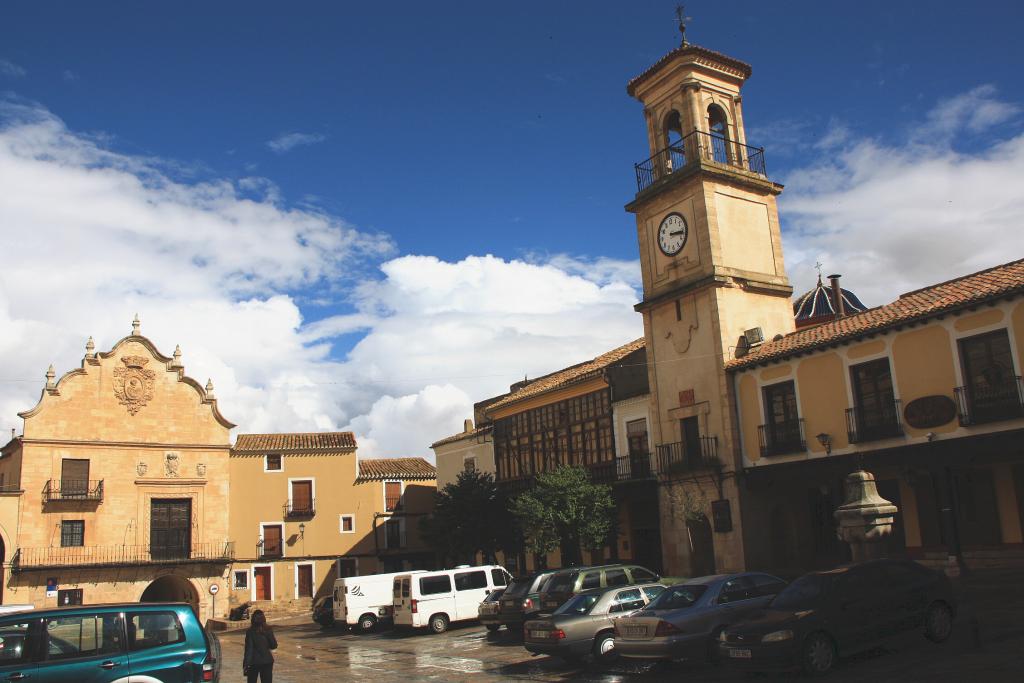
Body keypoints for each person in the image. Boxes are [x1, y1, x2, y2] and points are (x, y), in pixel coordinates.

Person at [242, 609, 277, 683]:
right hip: (267, 661)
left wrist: (245, 664)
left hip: (253, 662)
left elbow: (249, 650)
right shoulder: (268, 629)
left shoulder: (250, 632)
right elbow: (274, 645)